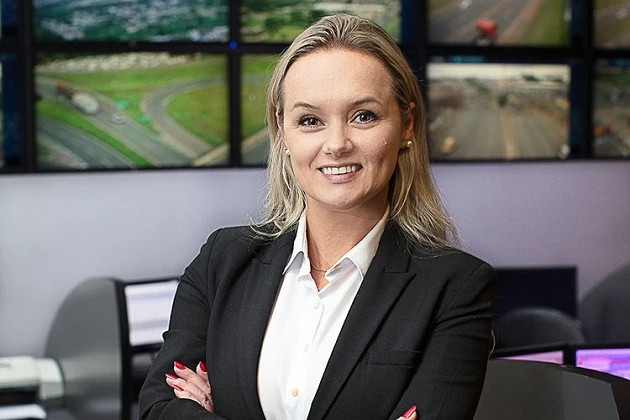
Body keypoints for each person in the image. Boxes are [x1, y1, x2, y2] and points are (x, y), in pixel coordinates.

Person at [138, 13, 495, 420]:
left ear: (406, 124)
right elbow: (158, 411)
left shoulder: (456, 287)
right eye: (310, 121)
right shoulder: (222, 260)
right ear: (282, 133)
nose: (336, 144)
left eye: (363, 116)